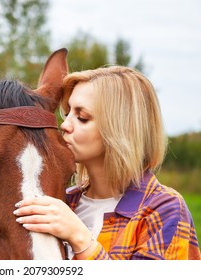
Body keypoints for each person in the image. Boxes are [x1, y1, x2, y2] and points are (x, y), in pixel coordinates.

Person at [13, 65, 201, 260]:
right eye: (67, 113)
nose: (65, 125)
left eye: (82, 117)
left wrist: (80, 238)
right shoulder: (62, 203)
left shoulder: (163, 209)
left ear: (120, 129)